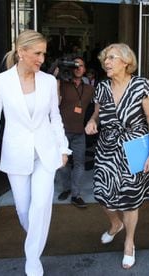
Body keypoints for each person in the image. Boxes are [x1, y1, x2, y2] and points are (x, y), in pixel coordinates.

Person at [0, 30, 71, 276]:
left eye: (44, 53)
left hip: (45, 152)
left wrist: (63, 147)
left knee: (40, 205)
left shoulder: (49, 82)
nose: (42, 58)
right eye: (37, 53)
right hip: (16, 153)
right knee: (23, 210)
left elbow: (55, 118)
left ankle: (32, 259)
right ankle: (36, 238)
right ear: (21, 52)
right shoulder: (1, 82)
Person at [85, 43, 149, 269]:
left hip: (135, 145)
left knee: (130, 199)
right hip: (107, 146)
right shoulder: (102, 87)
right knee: (102, 194)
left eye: (112, 58)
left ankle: (129, 243)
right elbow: (97, 115)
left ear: (126, 62)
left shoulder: (141, 85)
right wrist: (91, 121)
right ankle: (115, 224)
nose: (106, 62)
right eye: (105, 58)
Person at [56, 56, 95, 207]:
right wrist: (58, 68)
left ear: (85, 69)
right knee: (62, 164)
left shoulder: (90, 89)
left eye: (81, 65)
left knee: (79, 164)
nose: (78, 68)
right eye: (75, 65)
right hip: (62, 132)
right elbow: (48, 83)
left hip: (79, 132)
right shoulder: (61, 85)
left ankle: (75, 194)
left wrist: (93, 120)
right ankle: (66, 188)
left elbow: (100, 105)